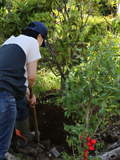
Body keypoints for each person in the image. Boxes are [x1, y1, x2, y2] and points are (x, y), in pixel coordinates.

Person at [0, 21, 48, 160]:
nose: (40, 45)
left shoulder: (9, 41)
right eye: (42, 42)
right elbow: (31, 77)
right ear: (39, 36)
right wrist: (29, 88)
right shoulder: (32, 42)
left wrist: (27, 93)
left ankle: (24, 137)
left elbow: (14, 74)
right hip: (4, 93)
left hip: (4, 87)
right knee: (1, 149)